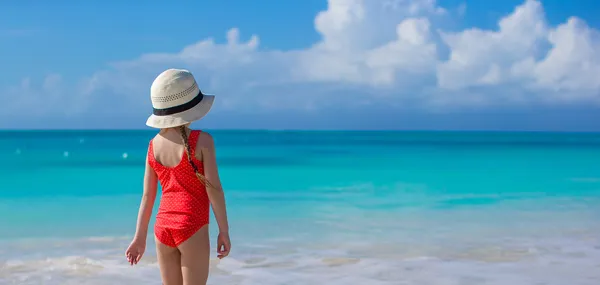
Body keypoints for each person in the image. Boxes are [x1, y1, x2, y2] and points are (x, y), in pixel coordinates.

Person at [125, 68, 231, 285]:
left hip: (162, 228)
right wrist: (224, 230)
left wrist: (139, 238)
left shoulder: (153, 146)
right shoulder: (203, 141)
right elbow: (214, 189)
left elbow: (147, 196)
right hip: (192, 224)